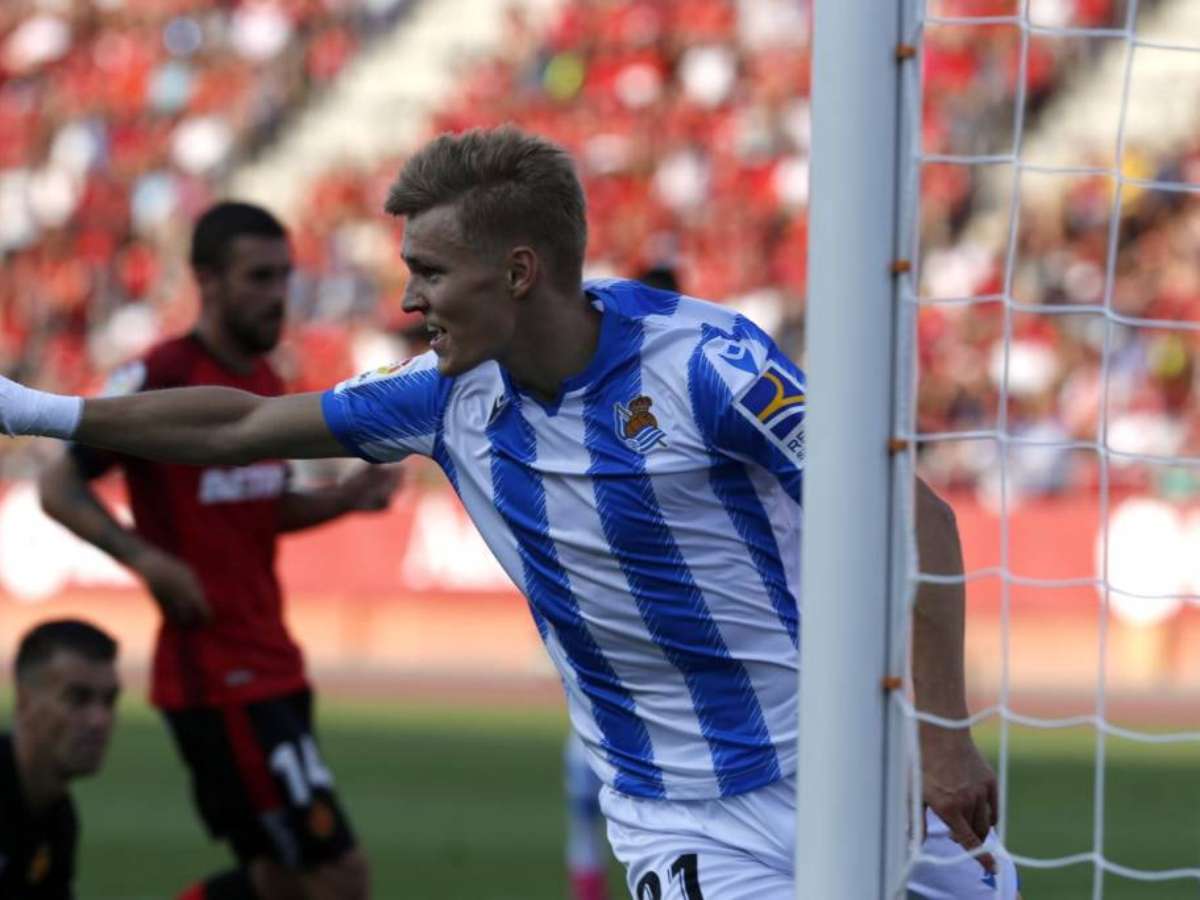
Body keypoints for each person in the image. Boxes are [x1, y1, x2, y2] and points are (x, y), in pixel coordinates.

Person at [4, 127, 1017, 898]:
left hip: (855, 759)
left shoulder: (710, 366)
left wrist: (944, 736)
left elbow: (915, 519)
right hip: (682, 818)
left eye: (430, 273)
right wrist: (35, 409)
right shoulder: (443, 395)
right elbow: (241, 425)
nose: (410, 301)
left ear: (519, 272)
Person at [35, 202, 402, 900]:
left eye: (285, 276)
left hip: (272, 661)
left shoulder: (265, 382)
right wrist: (146, 560)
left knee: (281, 882)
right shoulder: (160, 375)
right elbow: (59, 485)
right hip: (215, 674)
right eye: (259, 277)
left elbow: (262, 507)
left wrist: (347, 498)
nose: (278, 295)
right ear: (206, 280)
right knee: (337, 876)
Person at [1, 619, 120, 899]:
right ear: (24, 702)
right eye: (78, 699)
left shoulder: (57, 818)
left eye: (109, 701)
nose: (99, 720)